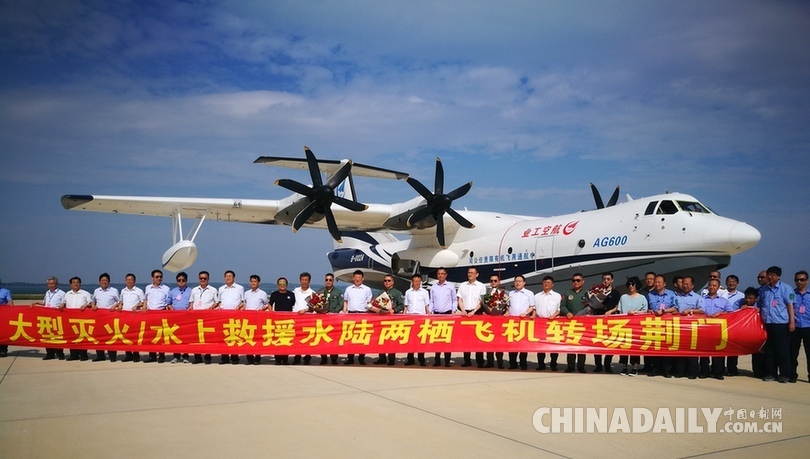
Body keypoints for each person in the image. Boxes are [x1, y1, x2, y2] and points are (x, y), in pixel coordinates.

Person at [758, 266, 795, 383]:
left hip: (781, 324)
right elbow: (760, 305)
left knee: (782, 351)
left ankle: (784, 374)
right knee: (769, 351)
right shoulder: (764, 290)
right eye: (768, 274)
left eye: (773, 274)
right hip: (767, 324)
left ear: (778, 276)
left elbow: (790, 305)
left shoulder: (786, 288)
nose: (770, 277)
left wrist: (792, 322)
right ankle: (771, 373)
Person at [699, 279, 734, 380]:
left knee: (718, 352)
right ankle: (704, 372)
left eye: (714, 286)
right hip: (704, 330)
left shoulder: (724, 301)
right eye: (710, 285)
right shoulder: (701, 300)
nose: (712, 287)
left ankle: (718, 372)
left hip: (718, 330)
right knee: (704, 352)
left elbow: (731, 313)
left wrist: (720, 314)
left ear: (718, 288)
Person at [589, 272, 621, 373]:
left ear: (612, 280)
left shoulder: (615, 293)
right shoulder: (597, 291)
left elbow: (618, 306)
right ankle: (598, 365)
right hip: (598, 321)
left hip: (610, 321)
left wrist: (610, 311)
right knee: (597, 343)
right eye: (604, 279)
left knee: (610, 343)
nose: (606, 281)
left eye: (608, 279)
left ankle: (607, 365)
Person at [646, 275, 677, 377]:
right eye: (656, 282)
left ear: (664, 283)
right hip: (655, 325)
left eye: (659, 282)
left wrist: (664, 311)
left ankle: (666, 370)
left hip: (667, 325)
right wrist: (649, 311)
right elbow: (647, 308)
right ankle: (655, 369)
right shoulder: (650, 294)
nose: (657, 284)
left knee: (666, 347)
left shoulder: (671, 294)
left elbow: (676, 308)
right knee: (655, 347)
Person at [617, 277, 648, 376]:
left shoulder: (642, 298)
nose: (631, 286)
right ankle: (624, 367)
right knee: (624, 347)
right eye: (629, 284)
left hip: (636, 326)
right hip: (624, 326)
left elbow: (645, 311)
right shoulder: (623, 297)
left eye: (633, 284)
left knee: (635, 346)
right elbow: (620, 311)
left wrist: (635, 312)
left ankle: (635, 367)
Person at [674, 276, 704, 379]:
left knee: (692, 351)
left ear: (692, 285)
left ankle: (693, 372)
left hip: (693, 329)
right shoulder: (677, 297)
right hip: (679, 328)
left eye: (687, 284)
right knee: (680, 350)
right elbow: (674, 308)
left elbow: (702, 310)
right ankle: (680, 371)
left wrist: (690, 311)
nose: (685, 286)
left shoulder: (697, 297)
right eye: (684, 284)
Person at [456, 267, 486, 367]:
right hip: (465, 313)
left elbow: (481, 301)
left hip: (476, 312)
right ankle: (467, 360)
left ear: (477, 274)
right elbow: (459, 299)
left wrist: (474, 311)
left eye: (472, 273)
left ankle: (480, 361)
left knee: (478, 338)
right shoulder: (462, 285)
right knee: (466, 339)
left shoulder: (481, 286)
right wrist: (463, 310)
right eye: (469, 272)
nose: (470, 274)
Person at [342, 270, 373, 365]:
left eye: (359, 277)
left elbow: (369, 303)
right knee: (350, 337)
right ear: (353, 278)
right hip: (351, 315)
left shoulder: (367, 289)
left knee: (362, 337)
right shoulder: (348, 289)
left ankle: (361, 358)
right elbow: (345, 301)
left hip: (363, 315)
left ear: (362, 278)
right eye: (355, 277)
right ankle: (350, 358)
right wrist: (344, 311)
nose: (357, 279)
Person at [373, 274, 405, 366]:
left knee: (391, 339)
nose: (387, 282)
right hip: (382, 319)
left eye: (389, 280)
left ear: (393, 282)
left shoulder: (397, 293)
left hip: (392, 319)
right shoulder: (381, 292)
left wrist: (394, 310)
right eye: (385, 281)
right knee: (381, 339)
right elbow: (376, 304)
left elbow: (401, 305)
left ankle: (391, 359)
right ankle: (382, 358)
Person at [32, 276, 66, 360]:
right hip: (47, 317)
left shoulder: (62, 293)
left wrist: (62, 305)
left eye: (52, 283)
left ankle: (60, 354)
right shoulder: (47, 293)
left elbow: (64, 304)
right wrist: (37, 303)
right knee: (47, 336)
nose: (51, 285)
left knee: (57, 336)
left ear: (56, 284)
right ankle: (50, 354)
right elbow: (45, 303)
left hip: (56, 318)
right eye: (49, 284)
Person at [560, 273, 588, 373]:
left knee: (582, 345)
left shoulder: (587, 293)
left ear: (583, 282)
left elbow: (591, 306)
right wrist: (567, 313)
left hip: (583, 324)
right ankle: (570, 366)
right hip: (570, 323)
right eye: (574, 280)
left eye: (578, 280)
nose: (576, 282)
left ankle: (581, 366)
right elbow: (562, 306)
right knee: (571, 345)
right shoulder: (567, 293)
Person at [429, 267, 456, 367]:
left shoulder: (450, 286)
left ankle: (447, 361)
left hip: (447, 314)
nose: (440, 275)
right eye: (439, 274)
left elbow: (454, 299)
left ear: (446, 275)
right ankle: (437, 360)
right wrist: (430, 311)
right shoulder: (433, 287)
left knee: (447, 338)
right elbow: (431, 300)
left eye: (442, 273)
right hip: (436, 314)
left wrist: (453, 310)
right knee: (437, 338)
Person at [189, 271, 218, 364]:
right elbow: (191, 302)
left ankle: (207, 357)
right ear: (198, 279)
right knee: (196, 338)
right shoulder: (194, 290)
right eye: (201, 278)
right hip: (196, 318)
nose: (203, 280)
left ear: (208, 279)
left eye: (205, 278)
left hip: (207, 318)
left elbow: (217, 302)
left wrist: (213, 306)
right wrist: (190, 308)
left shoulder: (213, 290)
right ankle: (197, 357)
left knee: (207, 338)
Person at [143, 269, 172, 363]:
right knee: (150, 335)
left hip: (161, 313)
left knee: (161, 336)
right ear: (152, 278)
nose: (159, 278)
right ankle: (152, 356)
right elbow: (145, 300)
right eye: (157, 277)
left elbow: (168, 302)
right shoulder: (148, 288)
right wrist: (144, 307)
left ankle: (161, 356)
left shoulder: (166, 289)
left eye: (160, 277)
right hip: (150, 314)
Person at [62, 276, 93, 361]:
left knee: (82, 337)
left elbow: (91, 304)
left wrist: (86, 305)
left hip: (82, 319)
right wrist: (61, 305)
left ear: (80, 284)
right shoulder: (67, 294)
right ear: (71, 284)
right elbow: (63, 303)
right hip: (70, 319)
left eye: (77, 282)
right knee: (72, 337)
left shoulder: (85, 293)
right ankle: (73, 355)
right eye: (74, 282)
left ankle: (83, 355)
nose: (76, 284)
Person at [507, 275, 535, 370]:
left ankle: (523, 363)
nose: (518, 283)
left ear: (524, 283)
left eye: (520, 281)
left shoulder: (529, 293)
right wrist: (507, 312)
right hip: (512, 322)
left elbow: (532, 306)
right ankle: (512, 363)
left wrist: (525, 313)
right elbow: (508, 306)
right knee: (512, 343)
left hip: (523, 321)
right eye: (516, 281)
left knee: (523, 343)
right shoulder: (511, 293)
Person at [115, 273, 144, 362]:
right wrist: (120, 305)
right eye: (127, 280)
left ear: (134, 281)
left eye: (131, 280)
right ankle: (128, 355)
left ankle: (136, 355)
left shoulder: (139, 291)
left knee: (135, 337)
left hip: (135, 317)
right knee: (125, 336)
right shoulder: (123, 291)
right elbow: (121, 301)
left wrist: (137, 305)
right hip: (125, 317)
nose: (129, 281)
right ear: (125, 281)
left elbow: (143, 302)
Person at [91, 273, 119, 362]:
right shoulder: (96, 291)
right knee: (98, 337)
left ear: (109, 281)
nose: (104, 282)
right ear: (99, 282)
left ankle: (112, 356)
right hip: (99, 317)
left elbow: (119, 302)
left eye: (106, 280)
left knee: (111, 336)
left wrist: (114, 306)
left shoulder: (114, 291)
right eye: (102, 280)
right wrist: (93, 305)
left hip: (110, 317)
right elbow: (93, 301)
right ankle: (100, 355)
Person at [218, 270, 245, 365]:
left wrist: (240, 306)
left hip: (235, 317)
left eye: (230, 276)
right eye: (226, 276)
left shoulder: (240, 288)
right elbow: (219, 302)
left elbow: (243, 302)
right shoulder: (221, 289)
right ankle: (224, 357)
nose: (228, 278)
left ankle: (234, 357)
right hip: (223, 316)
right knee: (224, 337)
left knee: (234, 337)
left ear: (234, 278)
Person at [534, 276, 561, 371]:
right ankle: (541, 364)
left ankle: (553, 364)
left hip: (553, 323)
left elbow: (559, 309)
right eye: (544, 282)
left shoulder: (557, 296)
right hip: (540, 323)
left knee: (554, 345)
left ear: (552, 284)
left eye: (548, 282)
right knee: (540, 346)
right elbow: (534, 309)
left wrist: (554, 315)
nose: (546, 284)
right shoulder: (536, 296)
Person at [733, 287, 761, 377]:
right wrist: (740, 310)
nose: (748, 300)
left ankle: (758, 371)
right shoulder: (740, 302)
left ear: (756, 299)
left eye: (750, 298)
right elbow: (732, 313)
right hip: (742, 331)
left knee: (758, 351)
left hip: (756, 332)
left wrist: (760, 311)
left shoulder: (760, 304)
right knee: (734, 349)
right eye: (746, 298)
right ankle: (732, 369)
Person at [403, 273, 430, 366]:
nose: (417, 283)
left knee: (420, 340)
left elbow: (427, 305)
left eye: (419, 281)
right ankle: (410, 359)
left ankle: (421, 359)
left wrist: (428, 314)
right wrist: (403, 315)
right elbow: (406, 305)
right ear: (412, 282)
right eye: (415, 281)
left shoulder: (424, 292)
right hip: (410, 317)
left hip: (421, 318)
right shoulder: (408, 292)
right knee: (410, 340)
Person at [242, 274, 269, 365]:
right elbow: (244, 304)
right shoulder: (246, 293)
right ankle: (249, 358)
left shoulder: (263, 293)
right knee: (248, 338)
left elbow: (267, 305)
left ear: (259, 283)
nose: (253, 283)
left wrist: (262, 309)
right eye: (252, 281)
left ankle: (257, 357)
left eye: (255, 281)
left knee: (257, 339)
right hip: (248, 319)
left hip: (258, 319)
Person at [269, 277, 296, 365]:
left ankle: (285, 359)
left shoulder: (291, 294)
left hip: (288, 321)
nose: (282, 285)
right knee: (277, 340)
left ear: (287, 285)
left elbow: (293, 304)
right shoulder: (274, 294)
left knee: (286, 340)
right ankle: (277, 359)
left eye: (284, 283)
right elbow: (270, 304)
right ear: (277, 285)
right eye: (280, 283)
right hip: (277, 321)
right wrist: (271, 313)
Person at [318, 273, 343, 365]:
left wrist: (334, 312)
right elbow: (316, 303)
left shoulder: (338, 292)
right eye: (326, 280)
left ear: (333, 281)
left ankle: (334, 358)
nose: (328, 281)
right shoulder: (320, 291)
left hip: (334, 318)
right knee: (323, 339)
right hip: (323, 319)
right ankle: (323, 358)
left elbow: (341, 304)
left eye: (330, 280)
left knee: (334, 339)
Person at [167, 272, 191, 364]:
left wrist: (190, 308)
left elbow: (192, 303)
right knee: (175, 337)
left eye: (183, 280)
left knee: (185, 338)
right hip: (175, 318)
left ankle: (185, 356)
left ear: (186, 280)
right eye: (179, 280)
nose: (181, 282)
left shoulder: (191, 291)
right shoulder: (172, 292)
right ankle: (176, 356)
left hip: (187, 318)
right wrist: (171, 309)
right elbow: (168, 303)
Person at [483, 275, 507, 369]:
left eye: (495, 280)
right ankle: (490, 362)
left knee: (499, 342)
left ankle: (500, 362)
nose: (493, 282)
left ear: (499, 282)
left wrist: (505, 312)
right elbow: (483, 304)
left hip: (499, 320)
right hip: (489, 320)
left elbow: (506, 306)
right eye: (491, 280)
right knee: (489, 341)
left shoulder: (503, 293)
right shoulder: (486, 293)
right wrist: (485, 312)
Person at [790, 271, 809, 383]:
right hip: (795, 326)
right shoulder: (792, 294)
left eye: (802, 280)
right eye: (797, 280)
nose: (799, 282)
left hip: (808, 327)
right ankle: (792, 375)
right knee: (793, 353)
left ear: (807, 281)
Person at [292, 272, 315, 365]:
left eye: (306, 280)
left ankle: (307, 357)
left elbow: (313, 307)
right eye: (302, 280)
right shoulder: (295, 291)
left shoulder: (312, 293)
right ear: (300, 280)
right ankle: (297, 357)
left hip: (307, 318)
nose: (304, 282)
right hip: (296, 318)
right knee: (297, 338)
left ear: (309, 281)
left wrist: (305, 310)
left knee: (307, 338)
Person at [0, 278, 15, 357]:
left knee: (3, 333)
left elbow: (10, 304)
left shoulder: (5, 291)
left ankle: (3, 350)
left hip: (2, 316)